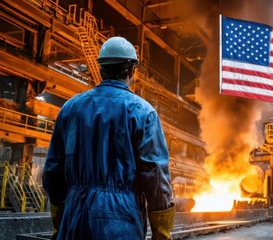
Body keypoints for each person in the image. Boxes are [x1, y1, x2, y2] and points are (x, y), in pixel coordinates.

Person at [43, 36, 175, 240]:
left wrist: (61, 220)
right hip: (121, 221)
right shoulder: (142, 112)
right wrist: (162, 232)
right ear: (132, 70)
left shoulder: (70, 108)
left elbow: (52, 172)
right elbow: (156, 177)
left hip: (74, 217)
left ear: (101, 69)